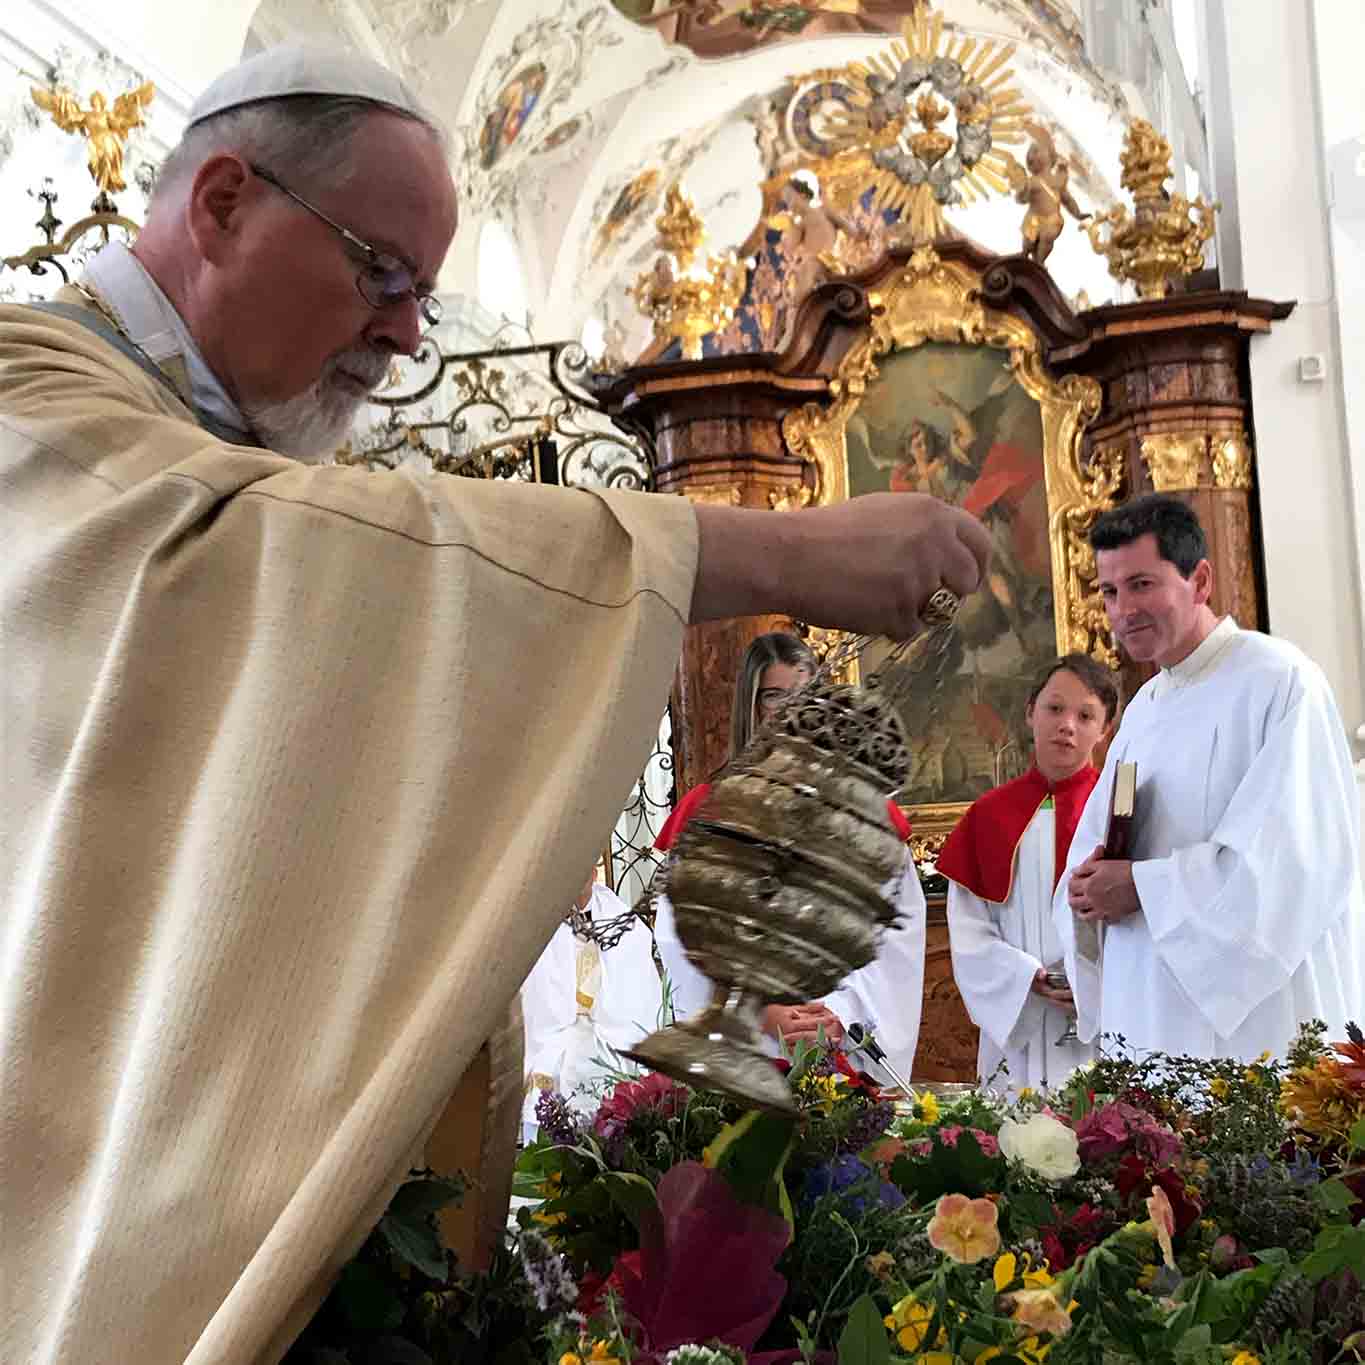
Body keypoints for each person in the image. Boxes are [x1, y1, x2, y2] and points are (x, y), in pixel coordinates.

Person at [0, 44, 992, 1365]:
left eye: (423, 289)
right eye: (381, 270)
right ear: (225, 200)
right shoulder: (35, 394)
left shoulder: (199, 447)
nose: (409, 332)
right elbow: (285, 554)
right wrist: (784, 553)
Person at [1054, 494, 1363, 1061]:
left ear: (1199, 580)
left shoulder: (1282, 681)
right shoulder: (1146, 705)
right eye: (1110, 591)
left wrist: (1142, 887)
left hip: (1256, 1016)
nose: (1123, 611)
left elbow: (1291, 862)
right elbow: (1099, 842)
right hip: (1149, 1001)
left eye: (1142, 584)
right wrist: (1082, 888)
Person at [652, 632, 928, 1082]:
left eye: (804, 696)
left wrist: (841, 1011)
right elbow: (681, 934)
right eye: (774, 697)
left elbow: (896, 931)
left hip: (838, 1042)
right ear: (752, 706)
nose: (790, 710)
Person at [940, 653, 1119, 1091]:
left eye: (1085, 715)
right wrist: (1024, 976)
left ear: (1105, 729)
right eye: (1054, 709)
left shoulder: (1116, 813)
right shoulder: (987, 815)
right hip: (1016, 1019)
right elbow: (968, 928)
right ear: (1030, 712)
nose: (1067, 725)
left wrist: (1094, 986)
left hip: (1094, 1022)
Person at [520, 875, 664, 1143]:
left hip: (610, 1032)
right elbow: (537, 990)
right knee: (553, 1074)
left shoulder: (618, 918)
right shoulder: (543, 920)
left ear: (595, 874)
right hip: (556, 1033)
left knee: (601, 1071)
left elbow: (636, 989)